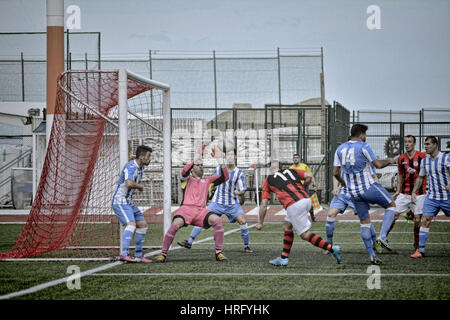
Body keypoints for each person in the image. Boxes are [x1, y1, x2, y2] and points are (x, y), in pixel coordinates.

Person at [256, 160, 341, 266]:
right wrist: (303, 188)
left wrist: (260, 222)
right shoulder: (291, 171)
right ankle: (284, 257)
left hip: (294, 205)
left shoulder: (268, 179)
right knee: (287, 225)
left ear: (270, 169)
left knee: (304, 234)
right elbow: (309, 176)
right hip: (306, 200)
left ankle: (332, 248)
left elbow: (264, 205)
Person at [155, 145, 230, 263]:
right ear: (192, 168)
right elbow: (184, 170)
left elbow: (225, 177)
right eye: (198, 165)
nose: (201, 167)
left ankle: (218, 253)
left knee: (217, 220)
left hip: (201, 211)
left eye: (202, 165)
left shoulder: (208, 181)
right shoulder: (186, 179)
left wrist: (220, 160)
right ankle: (163, 253)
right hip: (185, 210)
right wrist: (197, 155)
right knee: (175, 225)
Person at [333, 124, 396, 265]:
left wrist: (343, 183)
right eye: (365, 134)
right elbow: (378, 165)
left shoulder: (340, 149)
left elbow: (335, 173)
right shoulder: (364, 146)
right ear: (361, 134)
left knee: (365, 223)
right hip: (368, 187)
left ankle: (372, 255)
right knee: (391, 205)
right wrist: (390, 161)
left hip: (353, 192)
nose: (365, 137)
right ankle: (383, 237)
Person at [178, 149, 253, 253]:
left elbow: (243, 189)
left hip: (232, 204)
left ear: (235, 157)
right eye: (228, 155)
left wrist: (239, 192)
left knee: (243, 221)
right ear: (225, 157)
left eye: (232, 155)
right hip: (217, 202)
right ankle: (189, 241)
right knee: (202, 218)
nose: (230, 157)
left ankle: (246, 246)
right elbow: (214, 181)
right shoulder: (219, 169)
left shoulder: (239, 173)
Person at [325, 162, 380, 254]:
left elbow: (374, 177)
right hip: (342, 193)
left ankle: (375, 242)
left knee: (365, 218)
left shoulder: (365, 162)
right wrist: (335, 187)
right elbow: (336, 174)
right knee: (331, 214)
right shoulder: (343, 157)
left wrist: (377, 191)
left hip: (357, 194)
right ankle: (329, 244)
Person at [112, 145, 153, 263]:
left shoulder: (140, 167)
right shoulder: (130, 166)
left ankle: (139, 255)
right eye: (148, 156)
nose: (150, 159)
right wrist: (139, 186)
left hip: (129, 202)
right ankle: (124, 254)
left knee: (143, 225)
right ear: (141, 156)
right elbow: (129, 183)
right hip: (120, 201)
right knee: (131, 225)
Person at [410, 136, 450, 258]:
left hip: (447, 197)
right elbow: (421, 177)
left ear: (435, 144)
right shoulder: (425, 161)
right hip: (432, 197)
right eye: (425, 144)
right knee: (425, 220)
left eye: (428, 144)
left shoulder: (446, 158)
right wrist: (413, 192)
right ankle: (420, 250)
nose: (425, 146)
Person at [387, 135, 427, 250]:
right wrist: (398, 190)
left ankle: (416, 243)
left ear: (414, 144)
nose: (407, 144)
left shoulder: (422, 157)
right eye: (405, 142)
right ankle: (384, 239)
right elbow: (400, 174)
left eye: (409, 142)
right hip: (404, 193)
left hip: (419, 194)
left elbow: (426, 173)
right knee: (393, 215)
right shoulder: (401, 159)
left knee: (417, 220)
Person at [290, 154, 318, 222]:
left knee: (308, 202)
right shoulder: (291, 168)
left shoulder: (304, 166)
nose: (296, 159)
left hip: (304, 187)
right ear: (293, 160)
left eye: (297, 158)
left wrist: (314, 185)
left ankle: (312, 217)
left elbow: (311, 175)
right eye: (294, 158)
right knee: (295, 203)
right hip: (296, 188)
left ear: (299, 159)